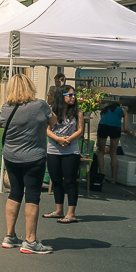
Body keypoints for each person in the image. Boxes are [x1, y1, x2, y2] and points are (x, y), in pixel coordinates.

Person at [0, 73, 56, 254]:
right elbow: (53, 121)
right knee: (32, 195)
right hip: (33, 156)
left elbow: (2, 124)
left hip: (10, 155)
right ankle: (30, 240)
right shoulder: (39, 105)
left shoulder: (6, 107)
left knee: (15, 192)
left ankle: (10, 236)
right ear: (30, 87)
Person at [45, 85, 84, 223]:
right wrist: (57, 139)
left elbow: (80, 131)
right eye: (69, 95)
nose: (73, 97)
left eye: (74, 95)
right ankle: (58, 210)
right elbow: (47, 129)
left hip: (71, 151)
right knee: (56, 181)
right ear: (62, 96)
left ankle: (71, 213)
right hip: (53, 150)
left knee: (70, 182)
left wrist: (68, 140)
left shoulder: (78, 113)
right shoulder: (52, 112)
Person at [96, 99, 135, 185]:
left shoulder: (105, 109)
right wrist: (130, 133)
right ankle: (113, 178)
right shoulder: (123, 110)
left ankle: (101, 176)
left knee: (101, 152)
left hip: (103, 127)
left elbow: (107, 122)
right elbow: (126, 128)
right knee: (113, 153)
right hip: (115, 129)